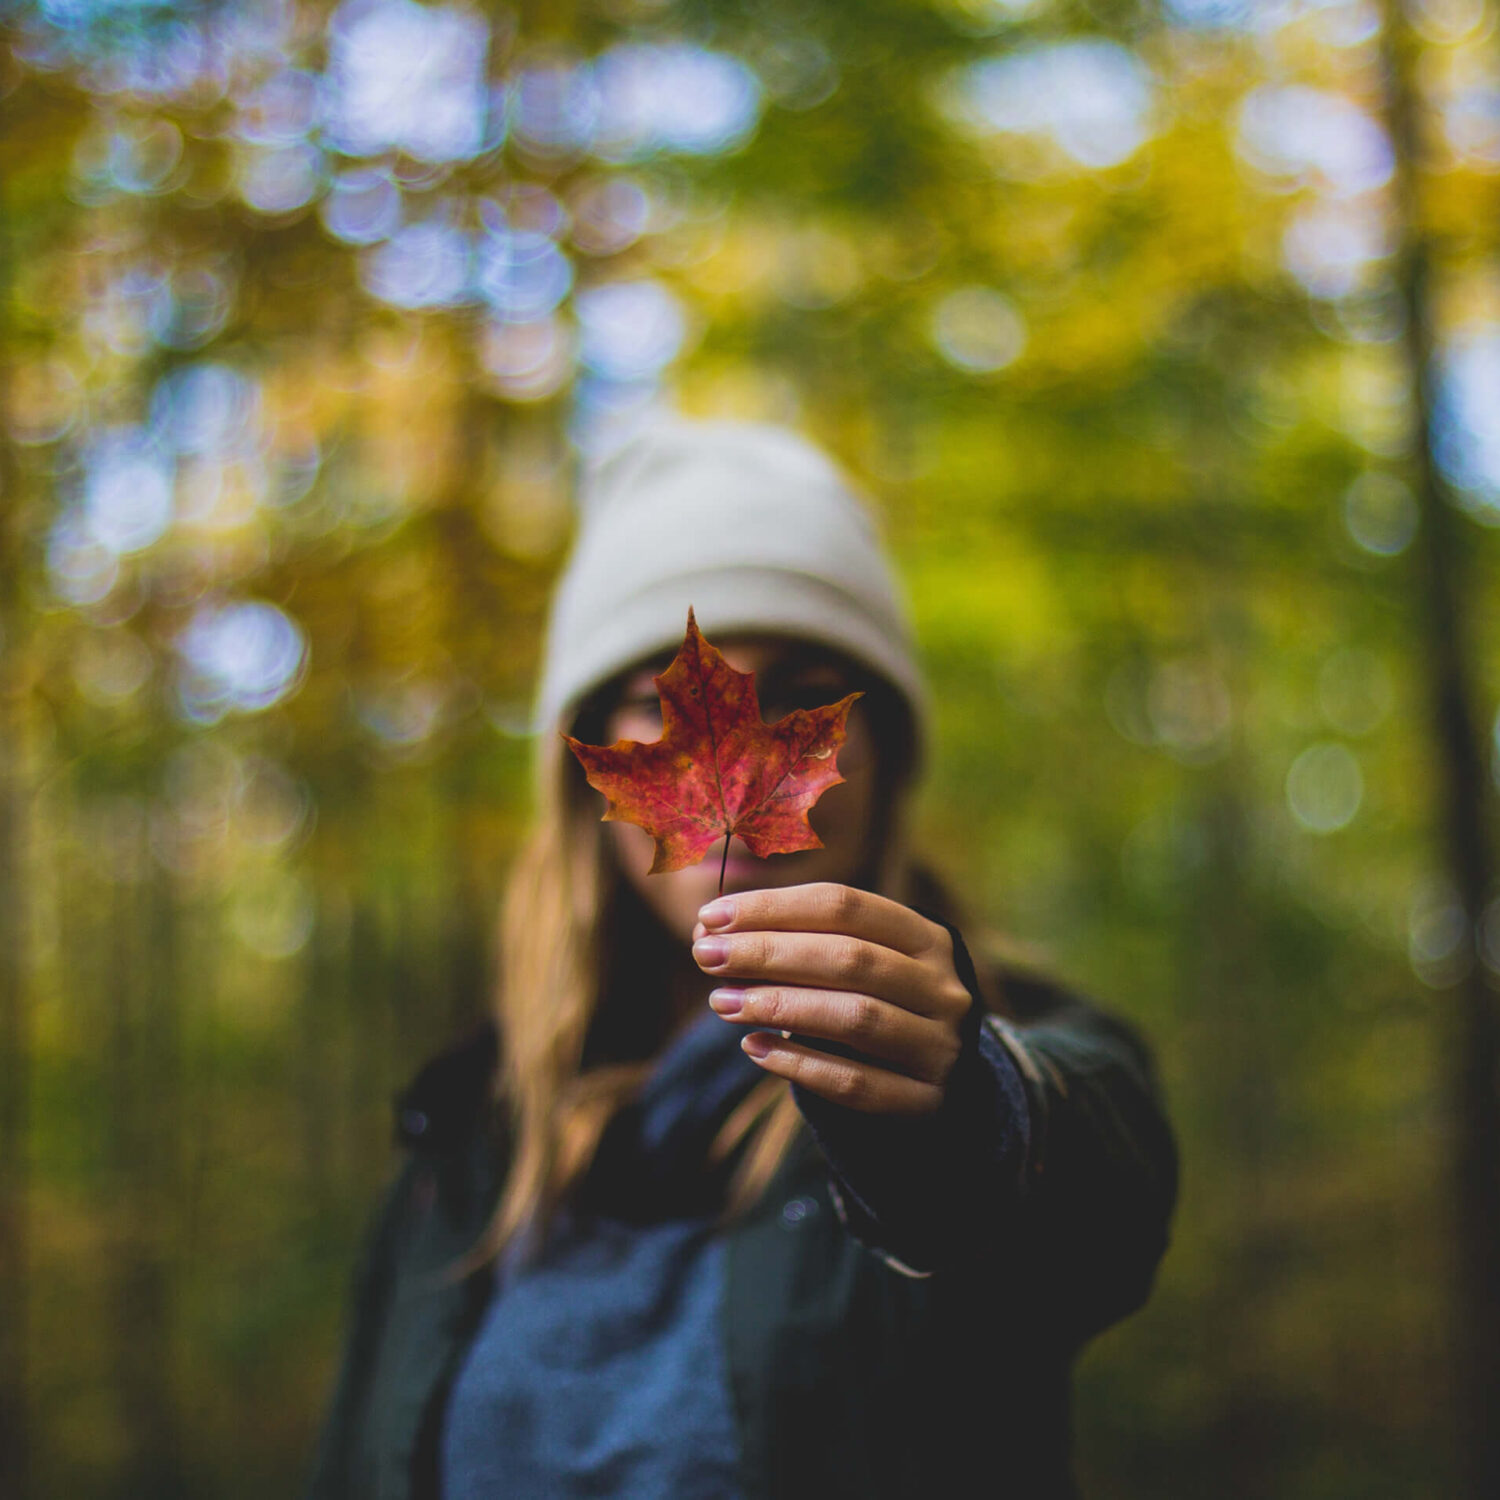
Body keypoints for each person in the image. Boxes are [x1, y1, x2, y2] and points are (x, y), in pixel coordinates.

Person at [306, 418, 1178, 1500]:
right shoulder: (461, 1148)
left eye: (808, 690)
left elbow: (1091, 1185)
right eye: (669, 694)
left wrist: (958, 1112)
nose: (738, 760)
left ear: (885, 760)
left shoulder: (981, 1049)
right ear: (588, 767)